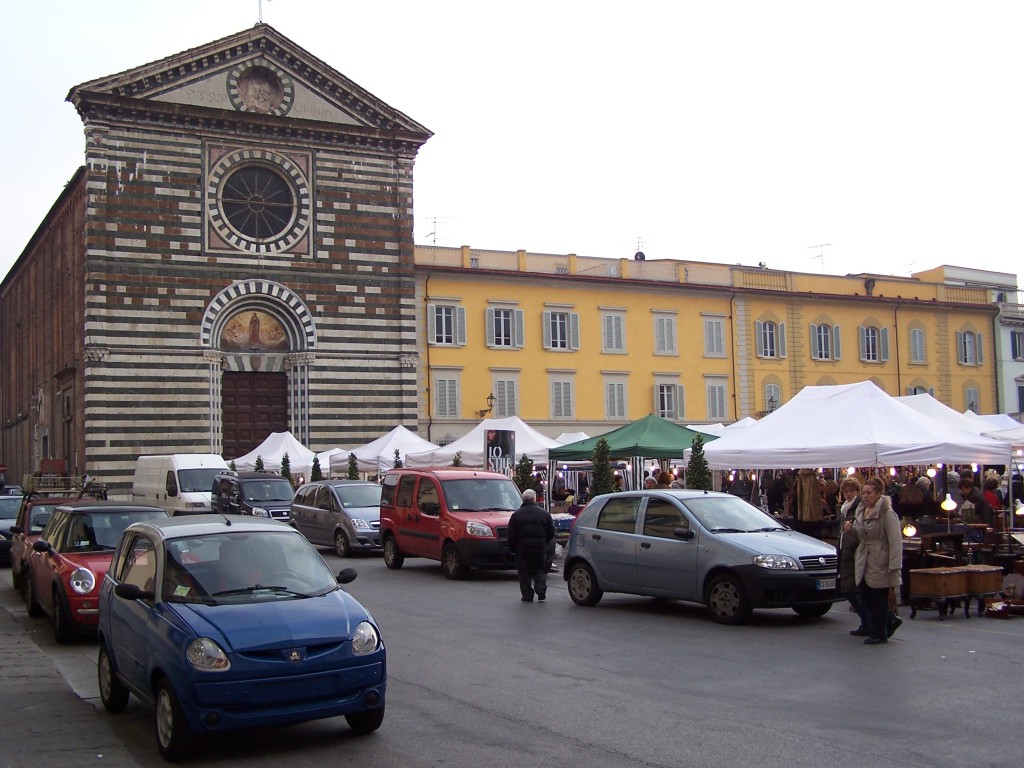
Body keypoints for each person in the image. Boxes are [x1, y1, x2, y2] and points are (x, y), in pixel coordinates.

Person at [846, 476, 903, 645]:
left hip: (880, 558)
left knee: (878, 598)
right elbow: (861, 532)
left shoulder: (887, 513)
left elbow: (895, 540)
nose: (865, 496)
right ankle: (890, 620)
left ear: (879, 493)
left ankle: (879, 632)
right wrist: (851, 528)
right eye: (863, 493)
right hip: (864, 557)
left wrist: (894, 564)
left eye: (869, 493)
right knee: (865, 596)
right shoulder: (861, 511)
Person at [507, 489, 554, 602]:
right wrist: (544, 542)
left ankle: (527, 595)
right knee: (540, 569)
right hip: (539, 548)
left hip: (522, 550)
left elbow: (511, 534)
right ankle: (540, 588)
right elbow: (551, 532)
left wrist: (513, 548)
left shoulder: (516, 515)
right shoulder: (544, 514)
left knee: (524, 573)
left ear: (523, 500)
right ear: (534, 499)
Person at [837, 477, 870, 635]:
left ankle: (869, 622)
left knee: (854, 590)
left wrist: (852, 529)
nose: (848, 494)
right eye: (846, 491)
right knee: (849, 590)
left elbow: (862, 529)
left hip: (854, 553)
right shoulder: (844, 509)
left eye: (852, 491)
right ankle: (866, 621)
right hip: (846, 553)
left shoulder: (858, 507)